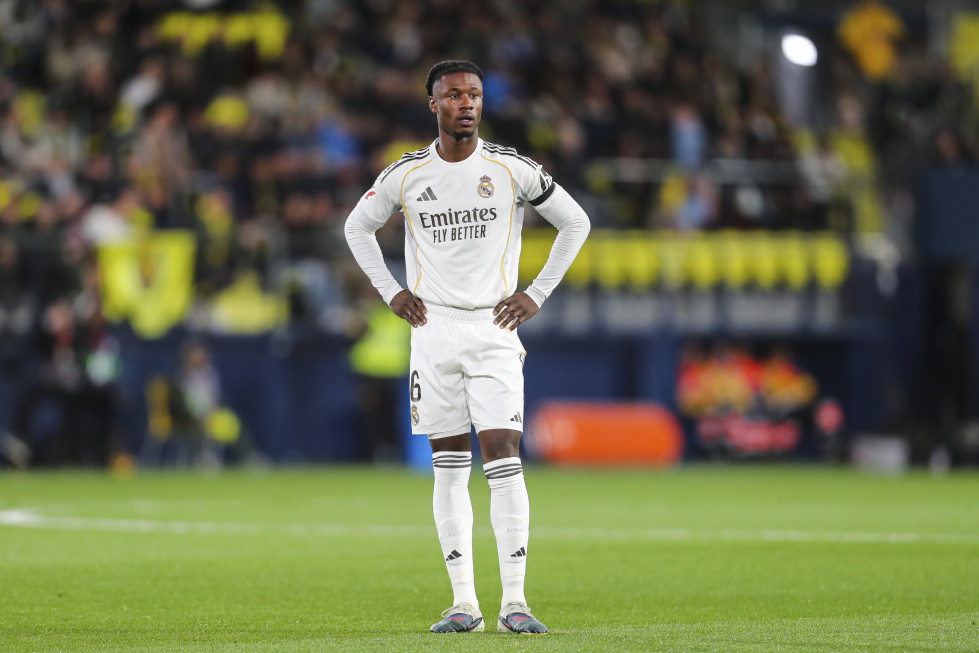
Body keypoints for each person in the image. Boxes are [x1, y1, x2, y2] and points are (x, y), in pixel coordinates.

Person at [344, 60, 590, 635]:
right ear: (434, 105)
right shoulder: (407, 174)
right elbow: (356, 227)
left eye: (474, 95)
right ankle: (464, 606)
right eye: (454, 95)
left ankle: (515, 603)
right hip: (434, 330)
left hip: (495, 330)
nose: (466, 104)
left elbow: (575, 222)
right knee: (449, 465)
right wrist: (390, 292)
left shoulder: (510, 169)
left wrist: (535, 295)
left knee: (504, 455)